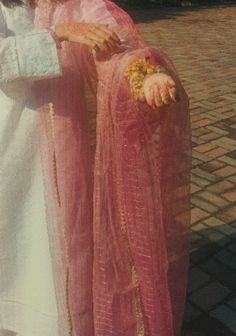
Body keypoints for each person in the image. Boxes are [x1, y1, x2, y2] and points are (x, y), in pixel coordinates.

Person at [0, 0, 191, 336]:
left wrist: (144, 75)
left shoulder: (72, 4)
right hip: (11, 158)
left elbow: (116, 41)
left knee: (54, 261)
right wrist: (57, 34)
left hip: (63, 162)